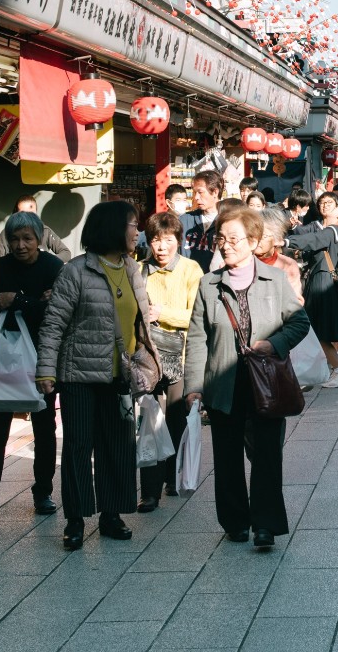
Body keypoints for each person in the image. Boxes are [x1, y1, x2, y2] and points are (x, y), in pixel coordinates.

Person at [183, 207, 312, 550]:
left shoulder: (275, 279)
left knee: (268, 455)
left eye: (234, 238)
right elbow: (197, 338)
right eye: (220, 238)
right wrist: (194, 386)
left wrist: (274, 344)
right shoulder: (209, 285)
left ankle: (266, 525)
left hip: (266, 381)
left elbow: (300, 323)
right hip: (223, 383)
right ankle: (235, 522)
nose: (225, 245)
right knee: (226, 458)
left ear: (254, 241)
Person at [34, 200, 159, 548]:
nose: (138, 231)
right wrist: (46, 370)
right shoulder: (75, 271)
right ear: (113, 228)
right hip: (78, 377)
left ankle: (111, 514)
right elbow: (53, 324)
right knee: (77, 447)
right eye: (133, 224)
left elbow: (139, 322)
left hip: (119, 375)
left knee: (117, 446)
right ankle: (75, 519)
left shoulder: (133, 269)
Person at [0, 210, 64, 527]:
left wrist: (18, 301)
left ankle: (43, 492)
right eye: (14, 239)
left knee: (44, 426)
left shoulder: (54, 267)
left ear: (39, 238)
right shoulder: (2, 266)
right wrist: (35, 302)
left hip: (43, 359)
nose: (20, 245)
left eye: (27, 238)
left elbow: (58, 314)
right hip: (8, 361)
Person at [138, 210, 202, 511]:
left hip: (182, 357)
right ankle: (149, 491)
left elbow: (197, 317)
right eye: (155, 240)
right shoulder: (139, 271)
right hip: (149, 358)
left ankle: (171, 476)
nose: (161, 247)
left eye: (167, 240)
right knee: (150, 420)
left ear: (178, 240)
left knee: (175, 419)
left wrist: (163, 314)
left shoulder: (191, 271)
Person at [290, 192, 338, 388]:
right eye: (322, 202)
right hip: (323, 282)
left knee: (315, 331)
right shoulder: (327, 229)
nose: (325, 206)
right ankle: (331, 370)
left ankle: (335, 371)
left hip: (323, 282)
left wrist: (284, 242)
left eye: (330, 203)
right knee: (317, 332)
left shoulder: (332, 231)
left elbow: (311, 240)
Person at [0, 194, 74, 259]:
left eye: (31, 215)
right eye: (23, 214)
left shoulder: (45, 231)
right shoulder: (6, 233)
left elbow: (66, 253)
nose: (26, 219)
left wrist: (47, 261)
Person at [180, 171, 224, 269]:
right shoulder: (184, 220)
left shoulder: (227, 222)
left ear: (215, 192)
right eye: (195, 192)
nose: (196, 197)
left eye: (200, 192)